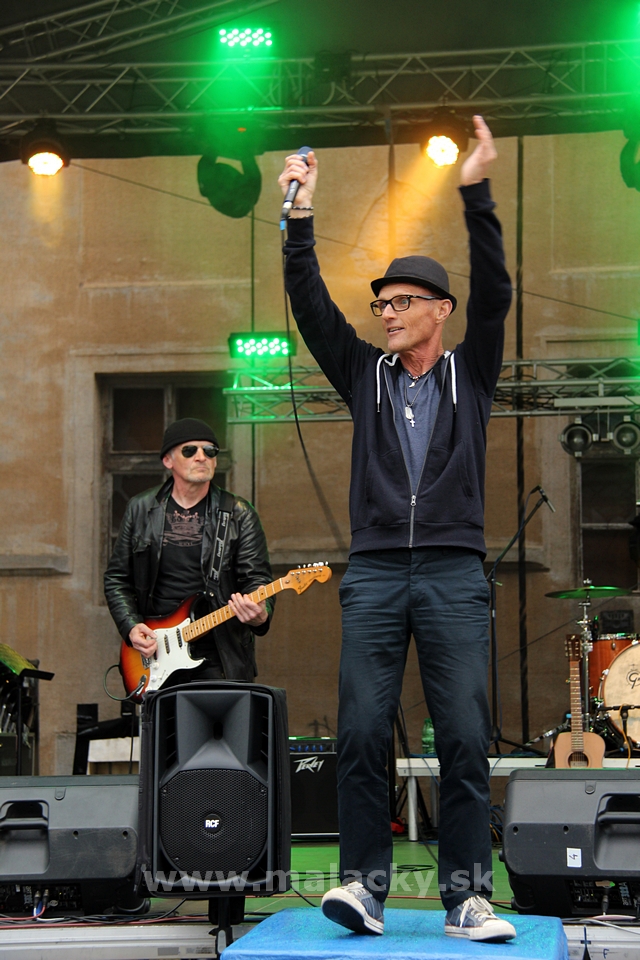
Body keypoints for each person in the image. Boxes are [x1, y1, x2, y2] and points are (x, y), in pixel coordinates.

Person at [278, 117, 516, 941]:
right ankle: (363, 889)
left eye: (402, 302)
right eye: (381, 303)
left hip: (453, 571)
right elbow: (310, 305)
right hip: (376, 572)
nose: (386, 313)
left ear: (440, 310)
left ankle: (467, 898)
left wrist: (476, 193)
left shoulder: (471, 370)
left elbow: (498, 287)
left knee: (464, 737)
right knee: (359, 733)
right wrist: (298, 217)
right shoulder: (363, 374)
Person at [104, 417, 274, 683]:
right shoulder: (140, 509)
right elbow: (117, 579)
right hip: (157, 652)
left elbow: (257, 578)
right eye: (189, 450)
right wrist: (131, 626)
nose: (201, 457)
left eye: (210, 451)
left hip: (219, 655)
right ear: (168, 460)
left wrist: (261, 614)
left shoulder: (239, 513)